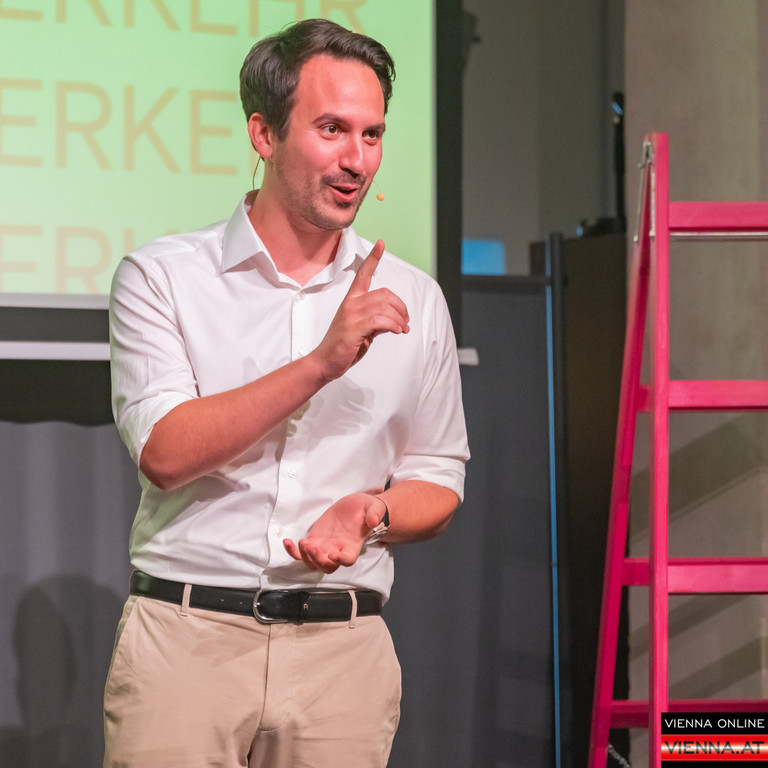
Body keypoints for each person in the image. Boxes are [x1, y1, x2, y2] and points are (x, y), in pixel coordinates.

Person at [104, 17, 469, 768]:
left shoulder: (416, 296)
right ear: (264, 134)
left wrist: (373, 514)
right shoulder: (164, 277)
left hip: (344, 654)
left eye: (372, 135)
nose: (356, 159)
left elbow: (439, 477)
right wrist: (321, 363)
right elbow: (166, 452)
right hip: (188, 643)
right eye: (332, 129)